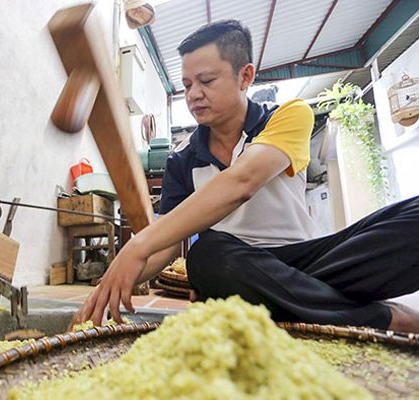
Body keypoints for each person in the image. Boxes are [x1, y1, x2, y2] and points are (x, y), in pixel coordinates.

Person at [69, 20, 419, 332]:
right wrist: (108, 286)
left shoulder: (287, 116)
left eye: (206, 81)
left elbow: (242, 182)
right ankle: (383, 318)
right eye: (188, 84)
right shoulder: (182, 160)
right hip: (237, 267)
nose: (193, 94)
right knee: (205, 256)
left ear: (245, 76)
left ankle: (292, 301)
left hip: (309, 259)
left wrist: (139, 243)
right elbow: (163, 247)